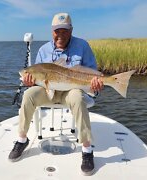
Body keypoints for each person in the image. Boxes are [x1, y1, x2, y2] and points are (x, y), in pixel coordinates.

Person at [8, 12, 103, 176]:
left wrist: (97, 82)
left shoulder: (82, 46)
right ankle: (22, 140)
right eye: (57, 31)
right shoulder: (44, 50)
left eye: (65, 30)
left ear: (71, 30)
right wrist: (29, 80)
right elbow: (38, 76)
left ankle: (87, 150)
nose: (61, 34)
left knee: (77, 97)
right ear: (52, 31)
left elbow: (92, 72)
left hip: (72, 90)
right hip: (48, 90)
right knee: (29, 94)